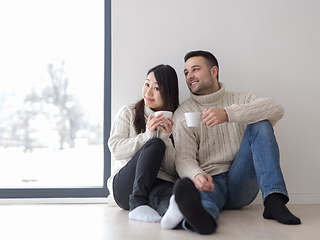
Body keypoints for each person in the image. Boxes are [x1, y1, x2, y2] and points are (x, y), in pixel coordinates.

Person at [161, 50, 301, 234]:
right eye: (186, 72)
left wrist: (228, 114)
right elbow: (183, 158)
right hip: (211, 180)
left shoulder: (242, 99)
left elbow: (276, 109)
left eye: (195, 69)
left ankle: (274, 200)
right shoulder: (184, 114)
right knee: (202, 199)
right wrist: (196, 175)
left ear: (214, 71)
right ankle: (204, 220)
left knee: (261, 123)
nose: (189, 76)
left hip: (241, 180)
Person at [107, 64, 179, 223]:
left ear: (168, 92)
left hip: (157, 183)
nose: (148, 92)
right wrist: (147, 136)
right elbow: (116, 150)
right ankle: (137, 203)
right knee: (155, 144)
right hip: (125, 187)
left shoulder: (177, 120)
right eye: (147, 84)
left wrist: (167, 137)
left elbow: (171, 170)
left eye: (157, 88)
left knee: (169, 197)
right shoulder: (129, 112)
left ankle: (172, 217)